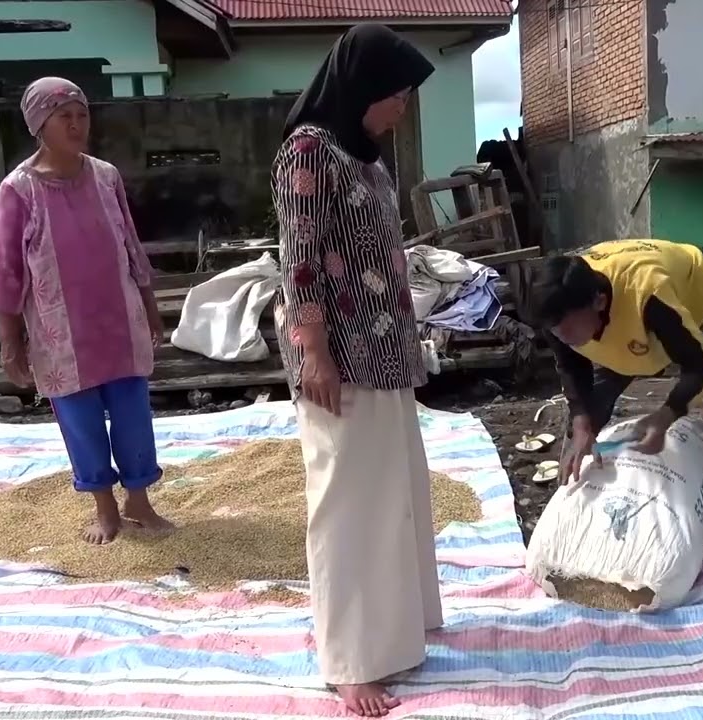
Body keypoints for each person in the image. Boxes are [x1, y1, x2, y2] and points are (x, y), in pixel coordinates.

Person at [271, 24, 440, 717]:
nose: (401, 107)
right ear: (362, 88)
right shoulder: (309, 152)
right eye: (395, 94)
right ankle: (349, 659)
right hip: (338, 358)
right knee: (347, 506)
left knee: (395, 493)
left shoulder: (365, 158)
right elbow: (298, 257)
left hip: (385, 352)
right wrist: (313, 350)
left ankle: (400, 627)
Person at [529, 239, 703, 576]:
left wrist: (667, 414)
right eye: (555, 331)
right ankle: (570, 519)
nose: (560, 336)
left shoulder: (648, 296)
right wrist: (581, 420)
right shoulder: (561, 309)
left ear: (599, 301)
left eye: (567, 330)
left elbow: (699, 365)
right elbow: (570, 366)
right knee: (588, 415)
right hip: (624, 330)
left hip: (701, 304)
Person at [0, 77, 171, 546]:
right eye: (63, 116)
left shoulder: (106, 176)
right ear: (38, 125)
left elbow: (131, 246)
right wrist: (11, 342)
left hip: (119, 324)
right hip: (61, 335)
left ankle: (140, 500)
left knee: (133, 414)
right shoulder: (17, 193)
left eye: (82, 114)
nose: (76, 124)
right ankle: (105, 508)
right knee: (81, 421)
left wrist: (150, 308)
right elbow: (6, 274)